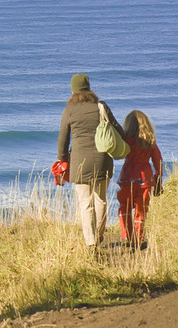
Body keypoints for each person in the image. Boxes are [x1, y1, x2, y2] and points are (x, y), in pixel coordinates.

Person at [57, 73, 123, 249]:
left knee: (85, 203)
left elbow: (63, 139)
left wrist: (62, 159)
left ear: (73, 90)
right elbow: (118, 130)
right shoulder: (100, 107)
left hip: (79, 163)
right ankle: (100, 234)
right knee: (100, 200)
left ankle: (91, 243)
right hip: (103, 160)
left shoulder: (69, 111)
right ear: (89, 89)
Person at [117, 110, 162, 248]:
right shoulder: (150, 142)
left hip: (127, 176)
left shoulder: (126, 141)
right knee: (141, 209)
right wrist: (158, 177)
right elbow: (158, 160)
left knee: (124, 206)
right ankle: (139, 238)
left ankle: (126, 236)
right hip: (145, 178)